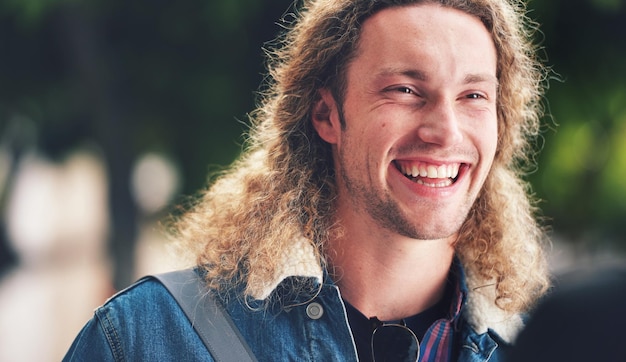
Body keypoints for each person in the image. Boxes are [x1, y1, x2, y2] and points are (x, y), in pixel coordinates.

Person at [64, 0, 551, 361]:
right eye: (404, 90)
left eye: (473, 96)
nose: (445, 131)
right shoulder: (147, 338)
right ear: (326, 115)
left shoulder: (553, 347)